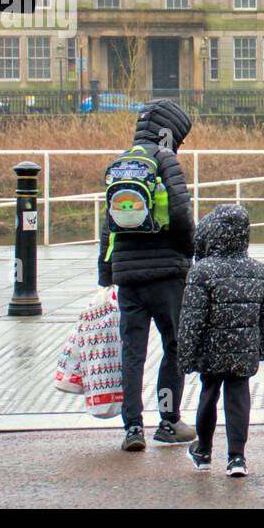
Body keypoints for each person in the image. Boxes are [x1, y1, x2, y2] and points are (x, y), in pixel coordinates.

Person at [98, 98, 197, 451]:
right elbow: (182, 215)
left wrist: (106, 272)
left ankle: (133, 428)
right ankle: (169, 422)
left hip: (128, 279)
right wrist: (190, 254)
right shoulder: (165, 160)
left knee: (132, 351)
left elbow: (107, 225)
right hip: (167, 275)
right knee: (174, 346)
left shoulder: (121, 163)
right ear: (168, 134)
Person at [178, 203, 264, 478]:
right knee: (238, 397)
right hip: (244, 349)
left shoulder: (202, 271)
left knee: (208, 394)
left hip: (211, 350)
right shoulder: (259, 270)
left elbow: (192, 319)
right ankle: (237, 457)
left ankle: (204, 451)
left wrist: (185, 356)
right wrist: (262, 349)